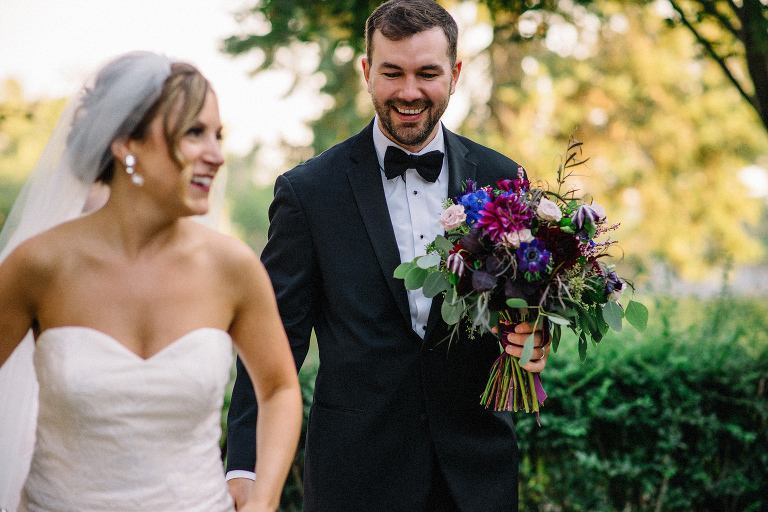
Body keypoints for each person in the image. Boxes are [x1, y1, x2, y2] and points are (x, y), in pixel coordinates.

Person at [226, 1, 551, 510]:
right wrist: (244, 464)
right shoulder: (309, 193)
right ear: (366, 71)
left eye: (427, 73)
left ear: (455, 73)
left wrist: (531, 341)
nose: (408, 92)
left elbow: (521, 307)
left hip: (475, 477)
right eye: (391, 72)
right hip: (353, 479)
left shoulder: (503, 178)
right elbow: (272, 338)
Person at [0, 51, 302, 512]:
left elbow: (280, 389)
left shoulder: (232, 268)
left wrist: (263, 500)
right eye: (194, 133)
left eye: (218, 135)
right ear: (125, 143)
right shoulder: (39, 265)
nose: (217, 156)